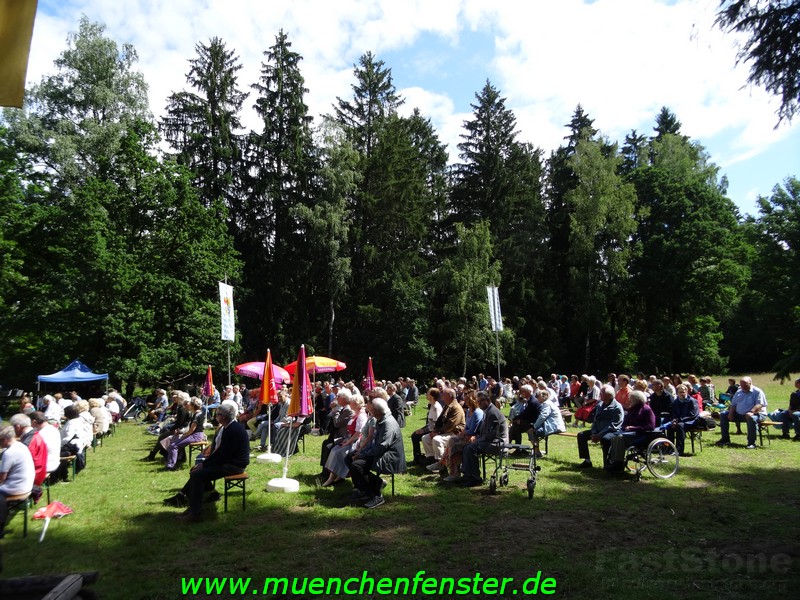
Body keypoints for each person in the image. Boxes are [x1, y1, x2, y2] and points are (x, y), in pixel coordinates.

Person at [169, 400, 249, 522]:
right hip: (229, 462)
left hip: (235, 466)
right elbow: (219, 452)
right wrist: (203, 464)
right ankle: (194, 507)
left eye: (217, 414)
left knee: (197, 475)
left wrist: (204, 465)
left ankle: (195, 514)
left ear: (224, 416)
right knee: (197, 472)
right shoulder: (229, 427)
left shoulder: (233, 429)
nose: (216, 416)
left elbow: (223, 456)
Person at [347, 398, 405, 509]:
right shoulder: (381, 419)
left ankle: (377, 495)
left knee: (357, 465)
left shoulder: (388, 423)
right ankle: (363, 488)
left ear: (377, 412)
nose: (369, 411)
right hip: (381, 452)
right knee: (350, 457)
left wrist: (362, 455)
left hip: (390, 457)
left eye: (371, 410)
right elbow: (374, 443)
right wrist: (360, 451)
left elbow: (381, 447)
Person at [457, 391, 509, 487]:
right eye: (478, 401)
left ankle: (475, 478)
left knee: (471, 448)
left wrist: (477, 440)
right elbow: (483, 432)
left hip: (498, 443)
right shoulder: (487, 411)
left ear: (487, 400)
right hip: (490, 441)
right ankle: (467, 475)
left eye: (481, 401)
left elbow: (491, 435)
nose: (479, 403)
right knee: (466, 446)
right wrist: (476, 437)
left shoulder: (492, 413)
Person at [322, 394, 368, 487]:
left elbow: (358, 433)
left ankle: (333, 477)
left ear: (355, 403)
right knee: (334, 450)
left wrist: (348, 442)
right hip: (350, 438)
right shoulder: (356, 413)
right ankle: (335, 475)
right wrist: (345, 440)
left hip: (356, 442)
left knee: (338, 453)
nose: (349, 403)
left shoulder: (361, 416)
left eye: (351, 402)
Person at [606, 390, 656, 472]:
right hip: (630, 433)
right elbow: (625, 423)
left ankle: (618, 463)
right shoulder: (631, 410)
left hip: (642, 434)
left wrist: (633, 428)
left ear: (637, 399)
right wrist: (626, 427)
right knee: (614, 437)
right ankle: (614, 461)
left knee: (620, 438)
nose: (629, 400)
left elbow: (650, 426)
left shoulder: (646, 410)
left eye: (631, 399)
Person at [576, 385, 624, 469]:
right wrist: (594, 433)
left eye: (601, 393)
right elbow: (595, 420)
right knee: (581, 435)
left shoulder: (617, 407)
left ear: (608, 396)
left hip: (611, 431)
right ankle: (587, 461)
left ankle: (607, 464)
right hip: (598, 430)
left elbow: (613, 425)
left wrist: (599, 435)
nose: (599, 394)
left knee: (605, 439)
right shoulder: (600, 404)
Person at [0, 425, 35, 536]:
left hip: (16, 488)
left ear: (4, 440)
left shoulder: (9, 453)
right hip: (26, 485)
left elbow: (2, 478)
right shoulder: (21, 446)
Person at [716, 377, 767, 449]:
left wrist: (751, 412)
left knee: (751, 418)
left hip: (757, 414)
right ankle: (725, 439)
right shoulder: (739, 391)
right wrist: (730, 412)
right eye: (742, 385)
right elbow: (733, 404)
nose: (743, 387)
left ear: (750, 383)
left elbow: (760, 404)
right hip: (740, 414)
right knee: (723, 414)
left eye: (745, 385)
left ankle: (751, 443)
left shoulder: (757, 392)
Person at [422, 387, 465, 471]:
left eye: (443, 395)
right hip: (446, 431)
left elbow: (451, 425)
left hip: (455, 433)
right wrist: (435, 430)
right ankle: (432, 459)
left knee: (437, 440)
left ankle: (442, 464)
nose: (441, 397)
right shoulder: (447, 405)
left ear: (450, 396)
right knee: (425, 438)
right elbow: (439, 420)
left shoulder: (456, 407)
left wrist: (438, 433)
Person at [163, 398, 207, 470]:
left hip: (195, 436)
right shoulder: (200, 413)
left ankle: (171, 466)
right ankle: (178, 460)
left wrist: (183, 435)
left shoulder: (196, 415)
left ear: (192, 406)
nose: (189, 406)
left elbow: (192, 430)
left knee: (173, 446)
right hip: (198, 435)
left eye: (190, 405)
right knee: (175, 443)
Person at [10, 414, 48, 487]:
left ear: (18, 426)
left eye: (12, 427)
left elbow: (21, 461)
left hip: (33, 476)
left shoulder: (29, 441)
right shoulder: (34, 433)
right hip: (39, 471)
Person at [528, 388, 566, 458]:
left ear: (543, 397)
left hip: (555, 427)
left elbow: (543, 416)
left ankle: (537, 453)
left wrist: (534, 426)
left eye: (538, 396)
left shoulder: (547, 404)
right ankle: (536, 451)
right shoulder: (548, 403)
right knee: (532, 429)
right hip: (553, 425)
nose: (536, 398)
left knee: (532, 431)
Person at [664, 384, 700, 455]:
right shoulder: (676, 402)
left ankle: (679, 450)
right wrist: (674, 421)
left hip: (691, 422)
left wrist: (679, 421)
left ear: (686, 392)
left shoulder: (692, 401)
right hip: (679, 421)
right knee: (670, 426)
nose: (681, 394)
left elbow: (692, 415)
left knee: (680, 426)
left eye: (683, 392)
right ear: (677, 393)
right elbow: (674, 414)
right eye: (680, 392)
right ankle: (669, 448)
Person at [411, 388, 442, 466]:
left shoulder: (436, 407)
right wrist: (421, 429)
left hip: (435, 431)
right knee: (415, 434)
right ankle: (418, 458)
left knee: (415, 436)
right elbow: (429, 423)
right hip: (431, 428)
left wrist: (423, 431)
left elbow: (435, 424)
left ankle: (419, 459)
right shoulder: (432, 405)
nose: (426, 394)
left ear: (432, 396)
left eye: (427, 393)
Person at [29, 411, 61, 477]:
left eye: (30, 423)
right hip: (55, 461)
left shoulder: (40, 434)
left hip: (46, 465)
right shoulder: (54, 429)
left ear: (34, 422)